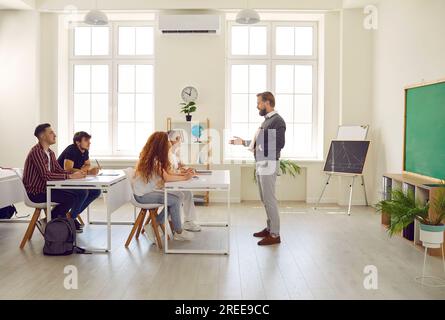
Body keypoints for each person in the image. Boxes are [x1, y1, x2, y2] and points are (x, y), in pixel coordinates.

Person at [229, 92, 286, 246]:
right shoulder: (266, 121)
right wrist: (242, 142)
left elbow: (279, 143)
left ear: (267, 102)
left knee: (270, 199)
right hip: (262, 162)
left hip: (269, 163)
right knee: (264, 198)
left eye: (259, 103)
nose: (257, 106)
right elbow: (259, 142)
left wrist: (259, 148)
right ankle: (269, 228)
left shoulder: (277, 121)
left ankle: (275, 234)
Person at [132, 131, 195, 242]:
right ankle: (178, 232)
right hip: (142, 195)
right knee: (175, 200)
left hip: (148, 191)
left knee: (179, 195)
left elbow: (168, 173)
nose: (169, 143)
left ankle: (155, 224)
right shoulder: (154, 160)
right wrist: (185, 178)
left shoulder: (154, 158)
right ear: (161, 145)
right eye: (166, 142)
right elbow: (167, 178)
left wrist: (184, 174)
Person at [23, 124, 86, 222]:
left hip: (47, 189)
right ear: (42, 136)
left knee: (81, 192)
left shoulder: (50, 153)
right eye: (51, 132)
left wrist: (77, 174)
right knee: (71, 198)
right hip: (36, 193)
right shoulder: (36, 152)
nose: (55, 135)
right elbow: (46, 176)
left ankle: (58, 220)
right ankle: (54, 221)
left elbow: (59, 170)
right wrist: (70, 176)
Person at [57, 131, 101, 233]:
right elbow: (68, 169)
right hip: (60, 182)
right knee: (83, 192)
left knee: (96, 191)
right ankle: (71, 219)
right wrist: (86, 171)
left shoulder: (85, 151)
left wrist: (89, 171)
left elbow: (87, 164)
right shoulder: (71, 150)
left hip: (71, 180)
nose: (89, 143)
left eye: (89, 140)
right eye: (86, 140)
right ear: (77, 142)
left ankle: (71, 216)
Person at [167, 130, 201, 232]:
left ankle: (188, 222)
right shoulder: (167, 153)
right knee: (183, 194)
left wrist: (186, 169)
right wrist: (184, 174)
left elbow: (178, 167)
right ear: (173, 140)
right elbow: (169, 172)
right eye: (179, 139)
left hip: (172, 182)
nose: (181, 141)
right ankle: (177, 222)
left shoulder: (173, 153)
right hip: (166, 185)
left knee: (187, 192)